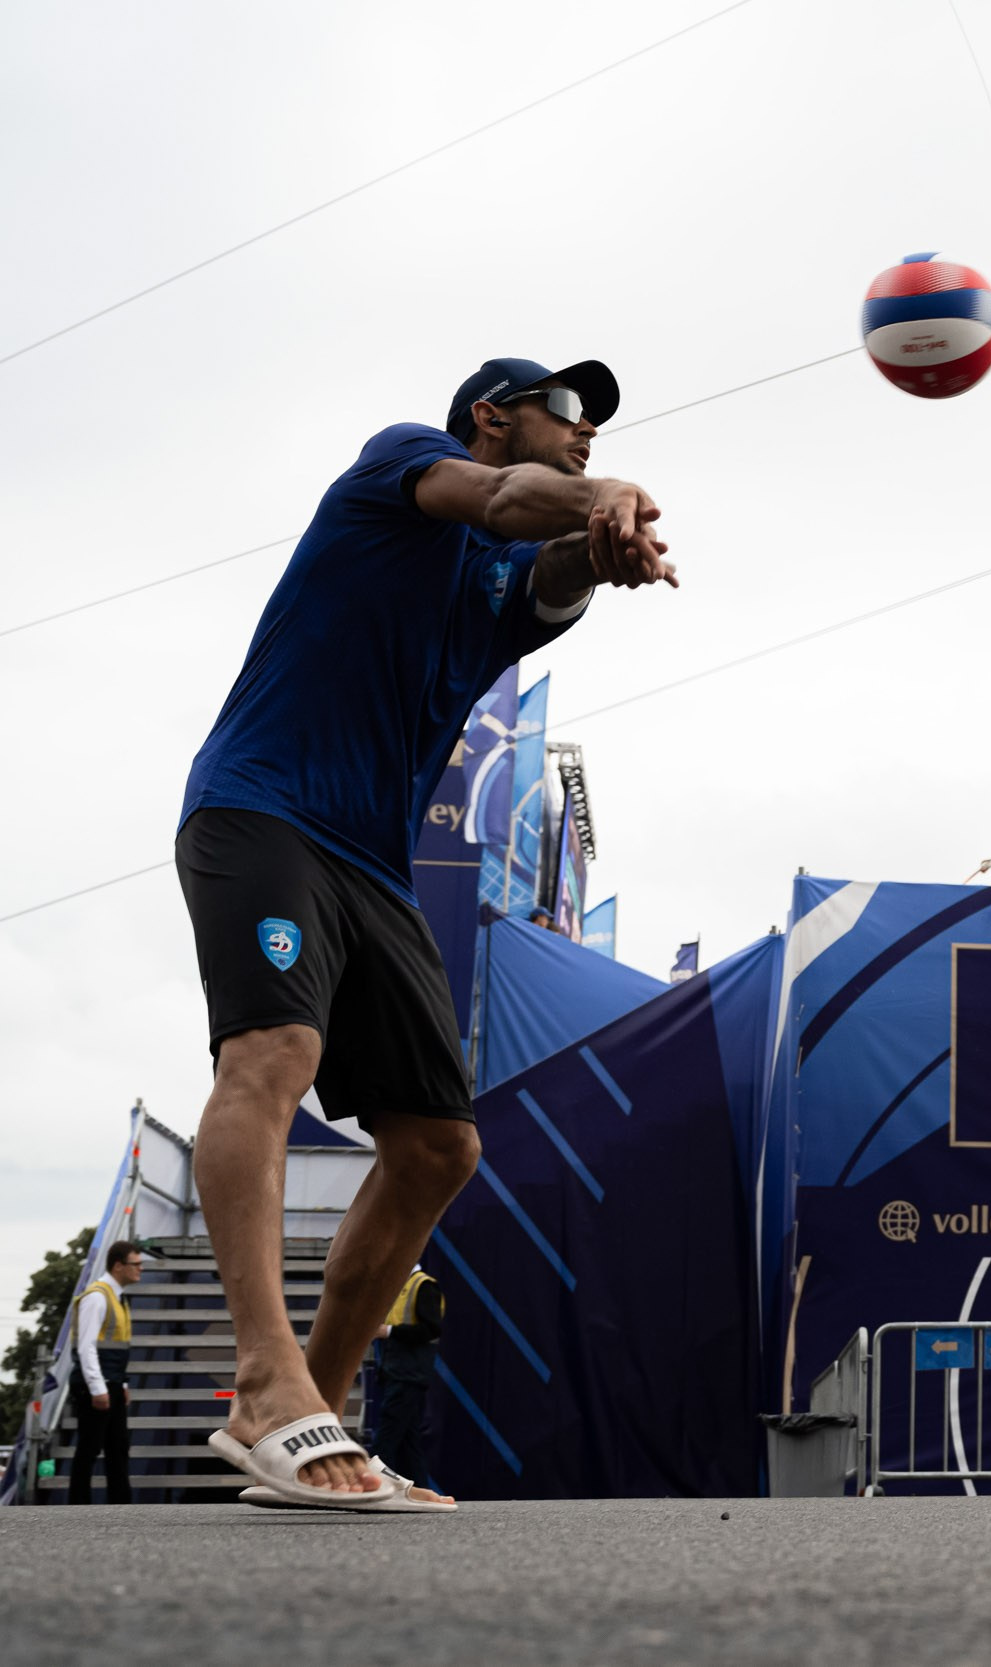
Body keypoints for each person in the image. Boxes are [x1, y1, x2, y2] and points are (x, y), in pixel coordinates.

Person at [176, 357, 677, 1510]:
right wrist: (606, 496)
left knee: (440, 1146)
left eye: (598, 425)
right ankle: (264, 1385)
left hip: (372, 864)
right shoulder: (404, 463)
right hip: (262, 809)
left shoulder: (499, 584)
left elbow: (548, 562)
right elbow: (501, 499)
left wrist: (601, 541)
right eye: (565, 408)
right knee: (273, 1052)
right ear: (490, 416)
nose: (586, 430)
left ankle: (310, 1417)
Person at [68, 1241, 144, 1504]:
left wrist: (122, 1385)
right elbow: (86, 1347)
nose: (141, 1269)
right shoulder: (97, 1296)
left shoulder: (118, 1297)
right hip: (95, 1384)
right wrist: (98, 1389)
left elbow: (115, 1348)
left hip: (111, 1381)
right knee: (89, 1448)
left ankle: (120, 1506)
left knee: (118, 1447)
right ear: (118, 1266)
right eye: (136, 1264)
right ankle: (77, 1507)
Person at [367, 1264, 444, 1490]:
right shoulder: (402, 1286)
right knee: (409, 1444)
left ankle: (374, 1485)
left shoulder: (424, 1286)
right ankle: (420, 1490)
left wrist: (389, 1331)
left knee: (387, 1437)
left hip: (408, 1373)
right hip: (397, 1372)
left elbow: (431, 1330)